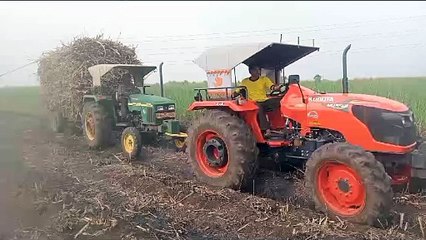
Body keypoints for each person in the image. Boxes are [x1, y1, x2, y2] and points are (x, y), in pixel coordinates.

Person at [234, 65, 282, 136]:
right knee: (259, 107)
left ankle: (282, 125)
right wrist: (234, 94)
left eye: (259, 70)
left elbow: (271, 87)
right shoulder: (245, 82)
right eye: (256, 70)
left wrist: (276, 87)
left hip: (264, 100)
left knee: (281, 101)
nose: (258, 72)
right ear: (250, 71)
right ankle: (266, 129)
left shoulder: (264, 79)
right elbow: (237, 91)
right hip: (253, 102)